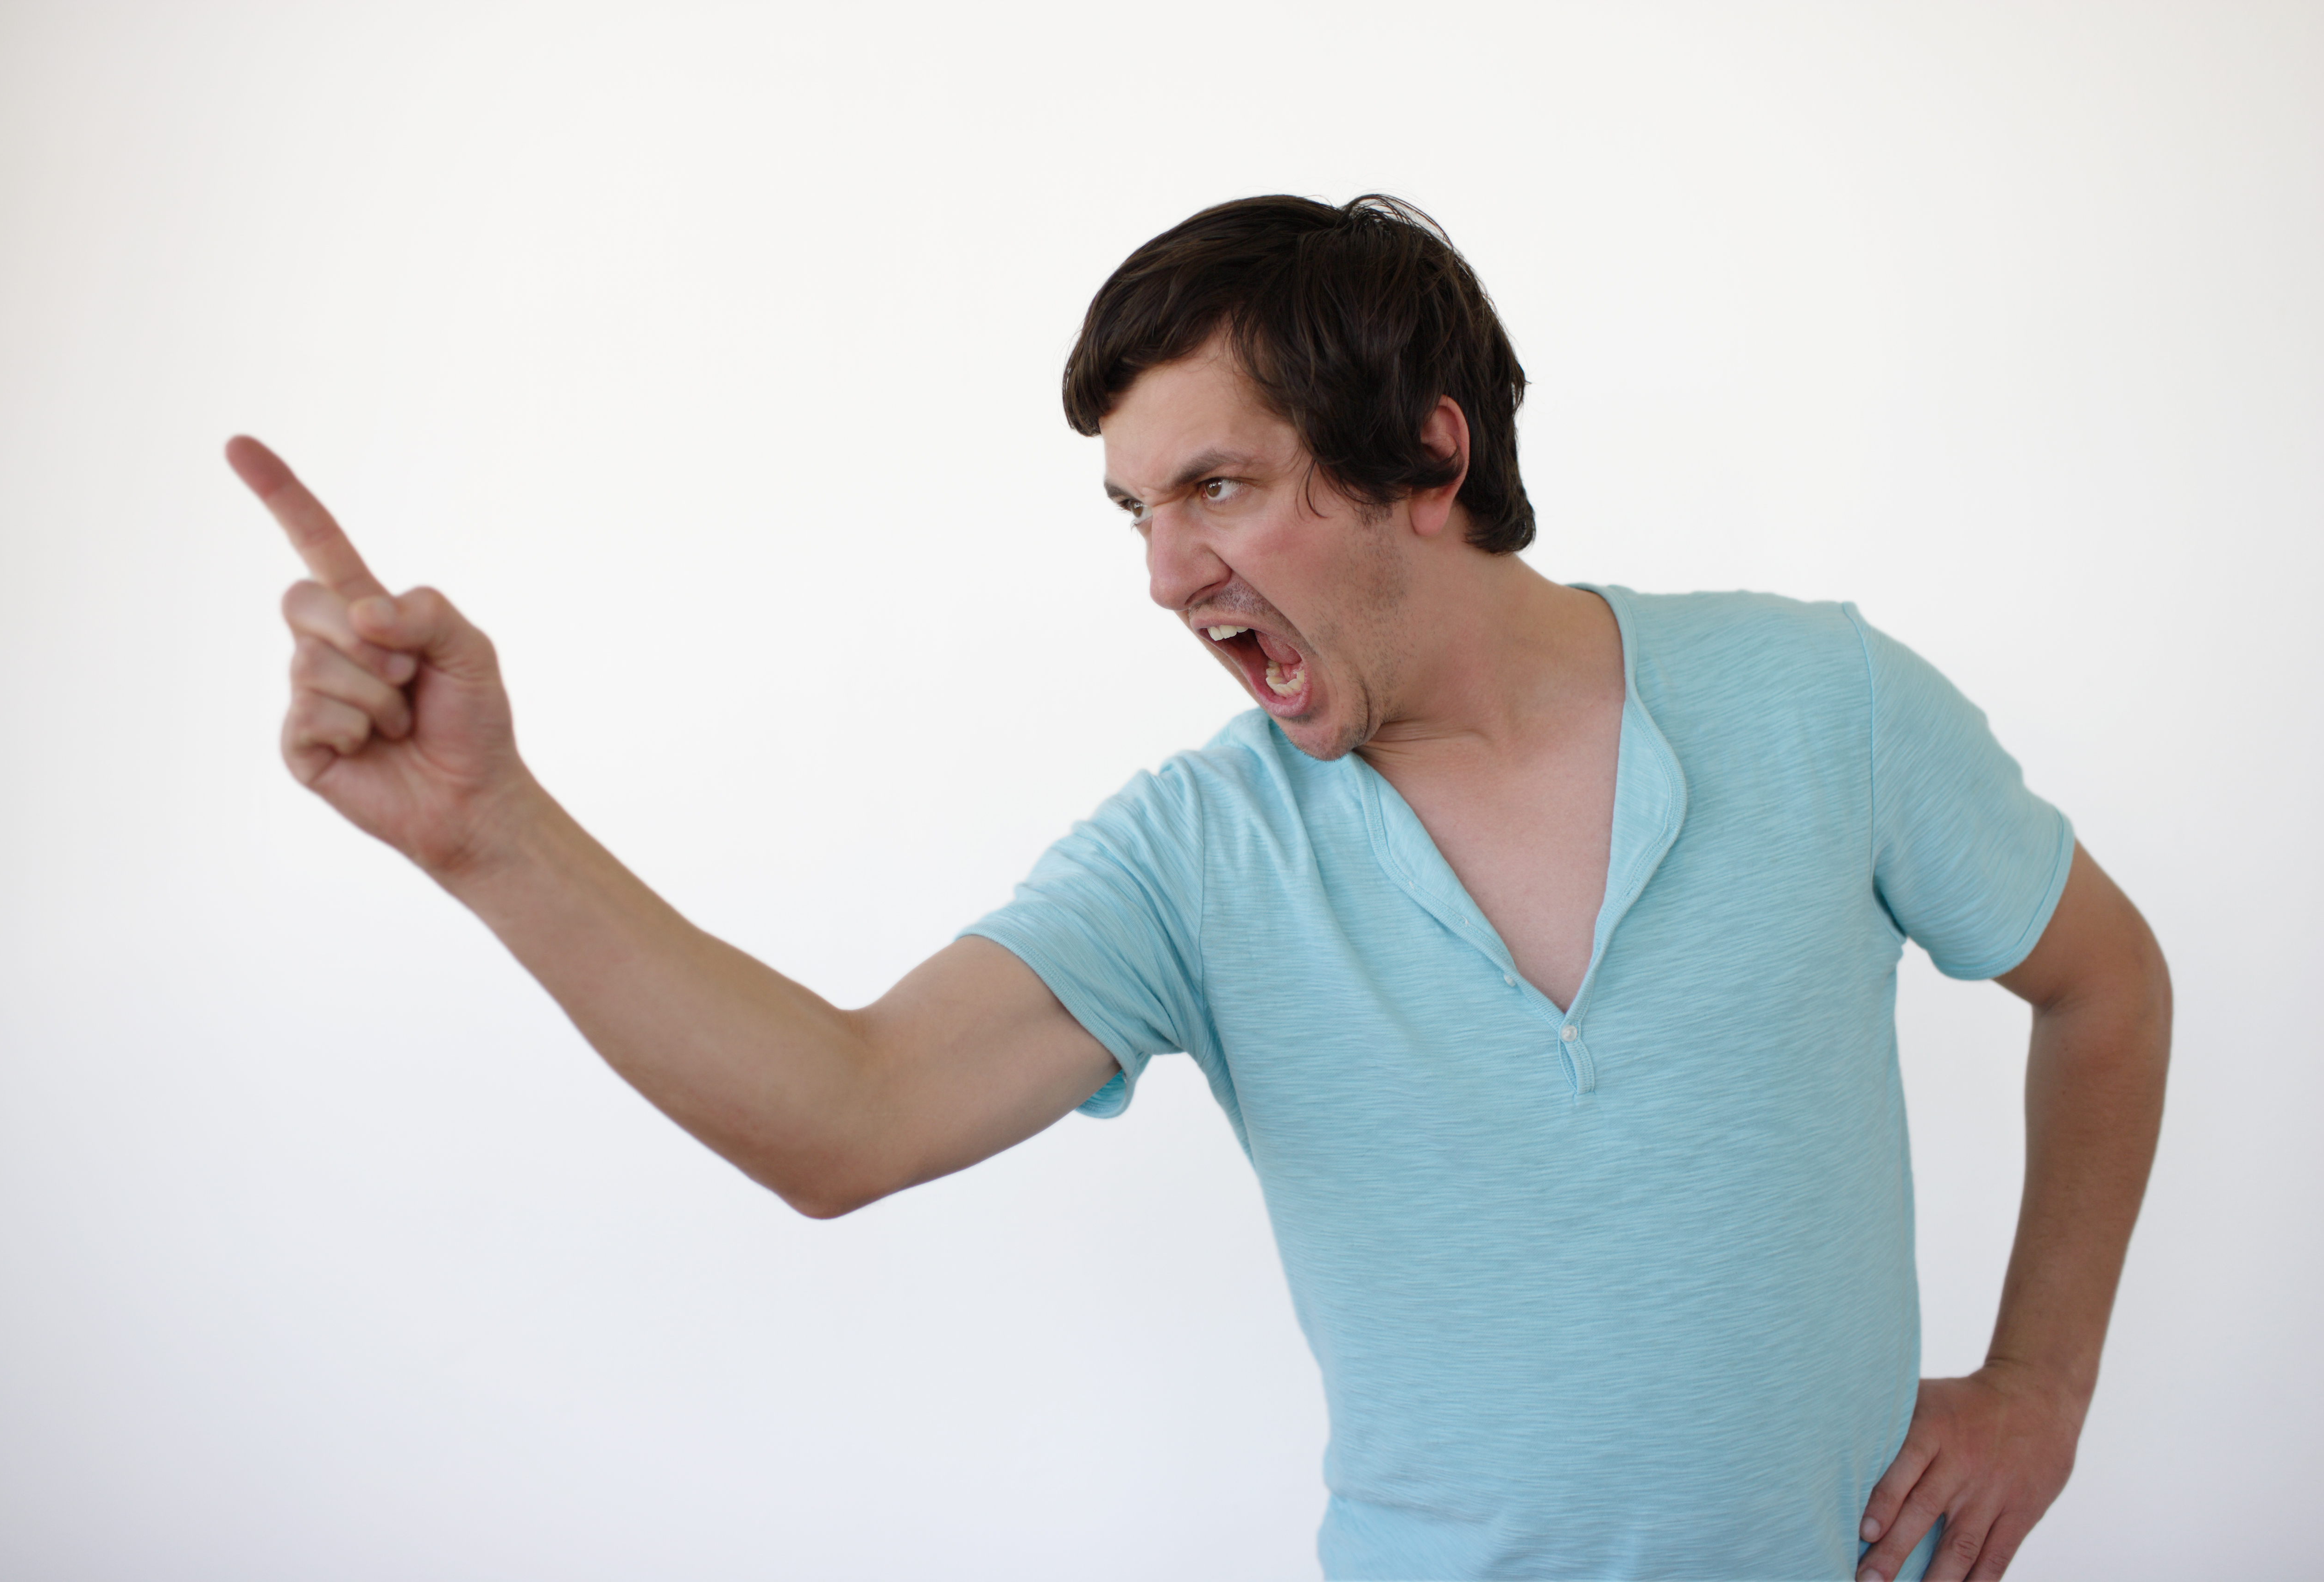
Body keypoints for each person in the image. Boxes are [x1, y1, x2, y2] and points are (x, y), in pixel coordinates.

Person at [233, 195, 2169, 1582]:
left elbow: (2106, 983)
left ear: (1427, 456)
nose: (1165, 576)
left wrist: (2041, 1380)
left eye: (1218, 490)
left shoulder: (1823, 700)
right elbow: (846, 1112)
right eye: (1135, 513)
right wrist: (491, 834)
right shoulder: (1196, 852)